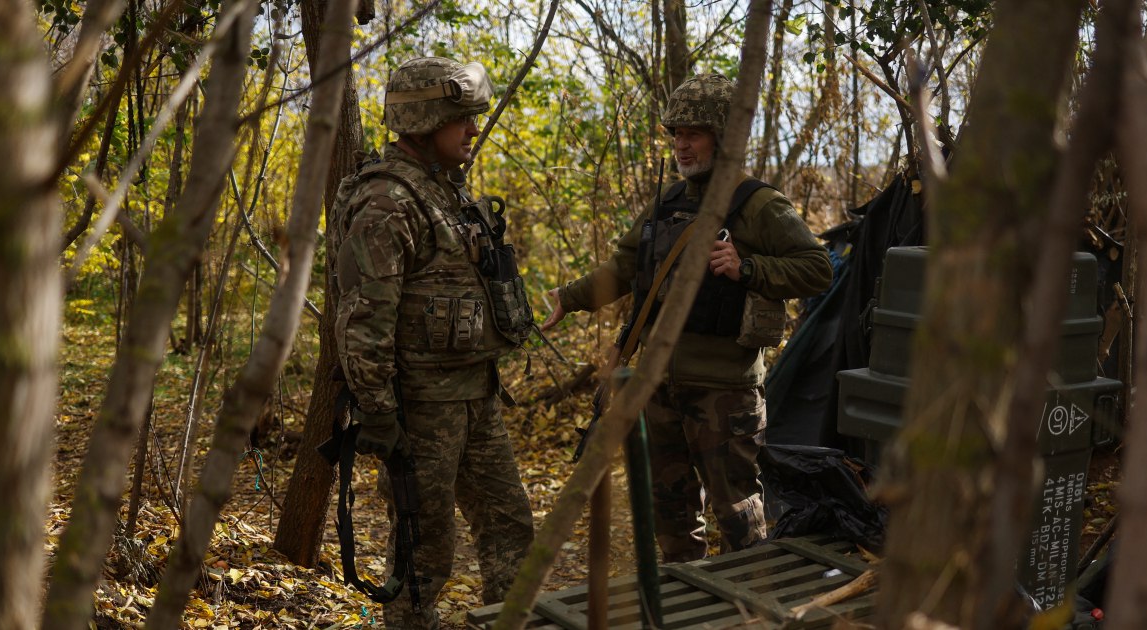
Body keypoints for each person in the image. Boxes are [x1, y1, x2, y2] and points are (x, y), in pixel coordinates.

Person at [541, 73, 833, 563]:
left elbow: (818, 269)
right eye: (676, 134)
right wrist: (569, 297)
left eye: (692, 133)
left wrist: (749, 268)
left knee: (737, 513)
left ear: (723, 137)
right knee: (670, 512)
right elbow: (623, 269)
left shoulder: (758, 204)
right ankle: (683, 605)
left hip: (725, 391)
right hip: (660, 388)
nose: (681, 145)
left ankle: (743, 610)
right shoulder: (668, 203)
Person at [330, 56, 536, 628]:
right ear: (425, 121)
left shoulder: (448, 192)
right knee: (424, 552)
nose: (474, 129)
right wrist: (377, 412)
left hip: (477, 397)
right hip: (421, 410)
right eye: (463, 118)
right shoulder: (387, 203)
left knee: (511, 527)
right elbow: (364, 322)